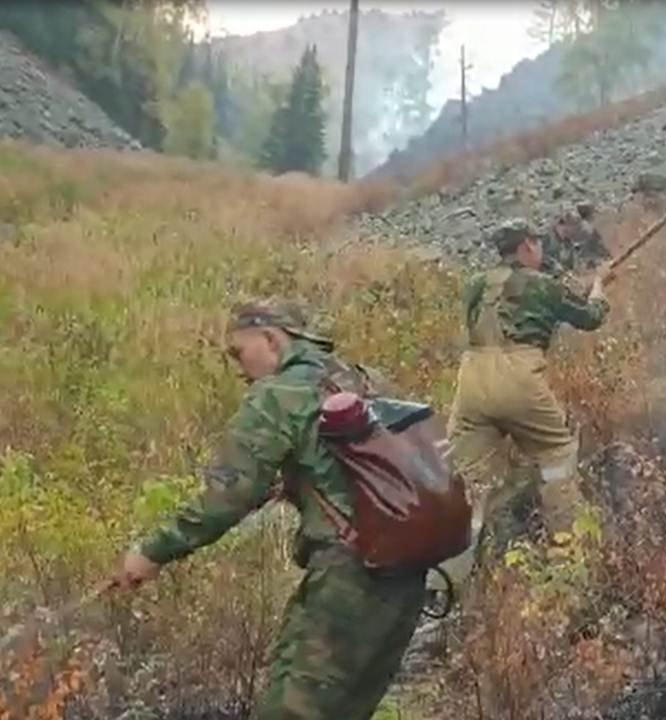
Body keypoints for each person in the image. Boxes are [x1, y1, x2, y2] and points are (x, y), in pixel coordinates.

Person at [111, 300, 426, 720]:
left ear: (271, 338)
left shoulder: (278, 395)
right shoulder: (363, 379)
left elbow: (226, 497)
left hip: (351, 577)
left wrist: (152, 552)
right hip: (408, 571)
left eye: (239, 353)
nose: (239, 370)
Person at [446, 218, 611, 553]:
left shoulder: (474, 284)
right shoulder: (542, 285)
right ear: (525, 247)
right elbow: (590, 316)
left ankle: (466, 559)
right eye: (536, 243)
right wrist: (600, 287)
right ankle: (568, 549)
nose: (540, 248)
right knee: (557, 456)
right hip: (518, 376)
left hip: (471, 380)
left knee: (474, 479)